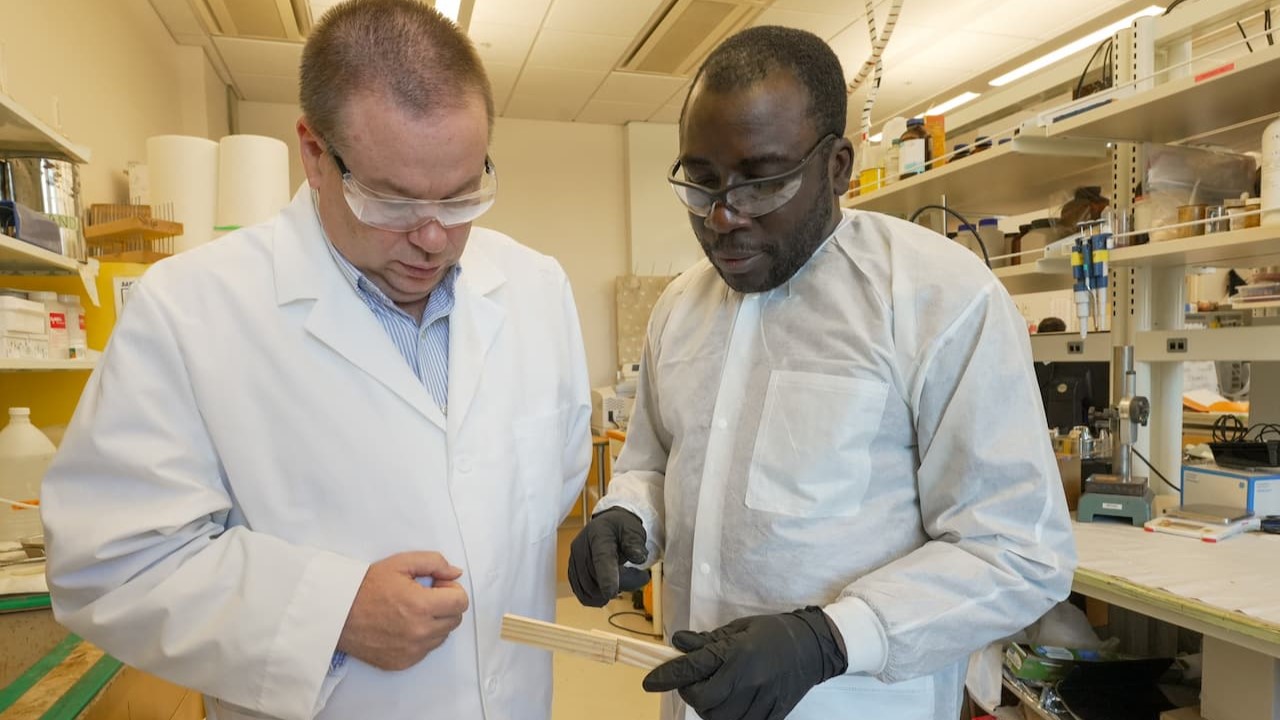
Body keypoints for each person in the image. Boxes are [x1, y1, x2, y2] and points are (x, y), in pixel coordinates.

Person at [42, 1, 590, 718]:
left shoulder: (535, 288)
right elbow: (107, 563)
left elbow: (553, 480)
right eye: (392, 201)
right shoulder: (189, 311)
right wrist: (329, 613)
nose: (433, 237)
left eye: (461, 196)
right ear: (313, 153)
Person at [568, 26, 1076, 720]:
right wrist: (626, 516)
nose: (723, 217)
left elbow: (1019, 552)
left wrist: (828, 639)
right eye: (702, 182)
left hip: (858, 702)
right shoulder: (681, 307)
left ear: (837, 167)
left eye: (763, 181)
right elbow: (655, 463)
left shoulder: (939, 300)